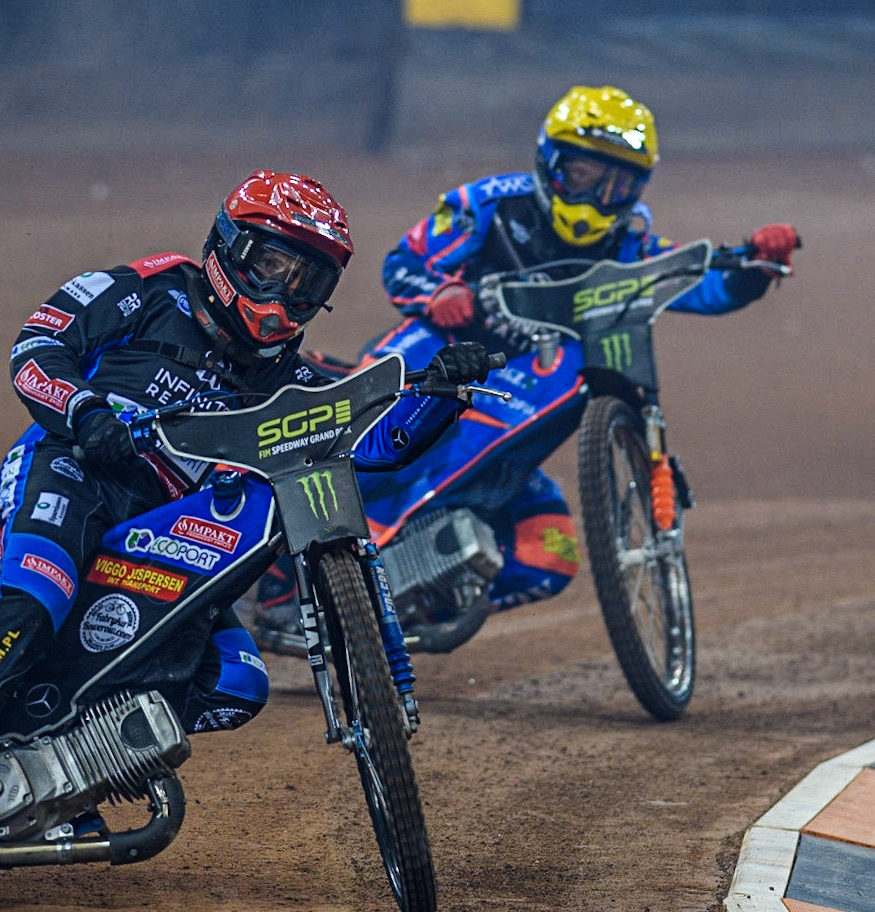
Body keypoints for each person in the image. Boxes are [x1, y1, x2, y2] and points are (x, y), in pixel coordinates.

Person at [0, 170, 496, 880]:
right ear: (225, 248)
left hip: (170, 531)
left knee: (235, 682)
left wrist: (440, 394)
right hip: (73, 471)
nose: (281, 294)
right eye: (269, 264)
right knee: (37, 589)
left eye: (306, 281)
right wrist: (86, 415)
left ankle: (46, 773)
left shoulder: (292, 381)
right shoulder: (149, 289)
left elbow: (373, 448)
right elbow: (34, 348)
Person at [254, 85, 797, 629]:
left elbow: (700, 289)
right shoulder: (488, 205)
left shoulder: (631, 243)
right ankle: (277, 562)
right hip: (441, 358)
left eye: (618, 183)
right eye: (584, 174)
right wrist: (439, 296)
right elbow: (403, 264)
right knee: (374, 440)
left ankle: (402, 603)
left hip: (522, 399)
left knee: (550, 555)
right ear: (549, 162)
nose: (596, 197)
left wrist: (755, 267)